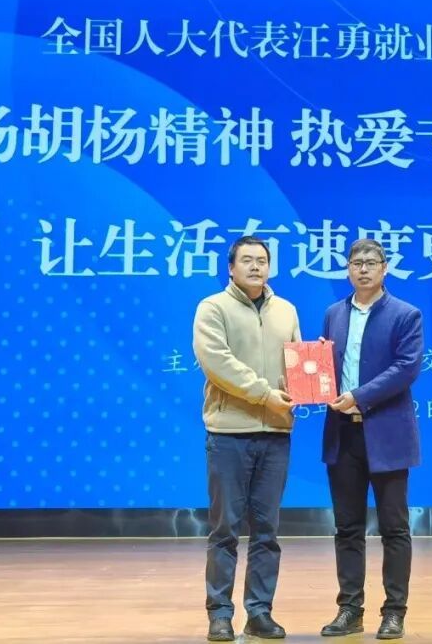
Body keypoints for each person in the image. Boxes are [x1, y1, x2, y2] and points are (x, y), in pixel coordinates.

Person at [193, 235, 300, 641]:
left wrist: (313, 370)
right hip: (229, 434)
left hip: (275, 434)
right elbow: (218, 364)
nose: (256, 266)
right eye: (247, 260)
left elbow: (297, 362)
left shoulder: (286, 310)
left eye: (262, 261)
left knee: (267, 532)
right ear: (231, 267)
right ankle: (220, 614)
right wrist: (265, 394)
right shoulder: (212, 308)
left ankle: (260, 612)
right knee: (225, 531)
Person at [318, 239, 424, 640]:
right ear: (347, 269)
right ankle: (350, 610)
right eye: (356, 263)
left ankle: (394, 612)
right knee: (347, 527)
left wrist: (359, 396)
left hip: (387, 434)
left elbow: (406, 368)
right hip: (343, 433)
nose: (363, 269)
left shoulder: (405, 314)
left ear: (384, 268)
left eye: (371, 262)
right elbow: (325, 367)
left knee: (394, 528)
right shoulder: (334, 314)